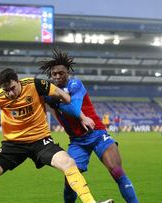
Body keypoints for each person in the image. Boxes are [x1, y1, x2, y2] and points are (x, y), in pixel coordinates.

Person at [0, 68, 113, 203]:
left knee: (69, 163)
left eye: (13, 88)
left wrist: (72, 109)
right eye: (7, 90)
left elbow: (66, 98)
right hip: (13, 144)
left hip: (40, 141)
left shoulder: (35, 85)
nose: (10, 93)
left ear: (18, 81)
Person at [40, 48, 138, 203]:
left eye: (61, 73)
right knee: (70, 181)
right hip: (77, 141)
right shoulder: (48, 94)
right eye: (54, 74)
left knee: (117, 171)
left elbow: (73, 108)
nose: (58, 76)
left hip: (97, 134)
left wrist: (57, 102)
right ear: (50, 76)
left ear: (68, 73)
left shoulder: (75, 84)